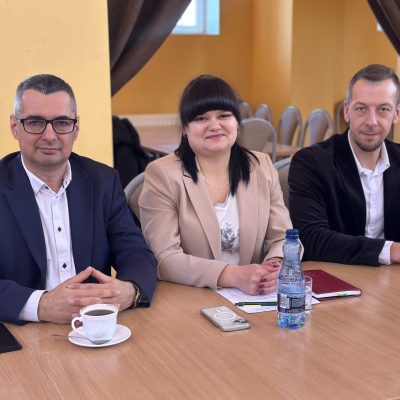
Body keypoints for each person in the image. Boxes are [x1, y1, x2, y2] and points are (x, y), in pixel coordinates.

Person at [0, 74, 157, 324]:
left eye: (62, 123)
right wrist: (41, 306)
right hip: (21, 331)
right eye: (35, 122)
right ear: (14, 127)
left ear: (76, 128)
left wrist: (129, 291)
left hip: (96, 326)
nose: (49, 135)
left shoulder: (103, 181)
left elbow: (135, 252)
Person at [139, 75, 292, 295]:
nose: (215, 125)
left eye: (224, 116)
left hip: (251, 297)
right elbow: (165, 258)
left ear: (237, 122)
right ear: (185, 128)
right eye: (201, 118)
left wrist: (275, 267)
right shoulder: (162, 174)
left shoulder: (262, 167)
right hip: (188, 296)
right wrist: (234, 275)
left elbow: (284, 238)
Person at [289, 64, 400, 266]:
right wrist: (390, 250)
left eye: (383, 109)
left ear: (396, 114)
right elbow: (311, 239)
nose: (372, 121)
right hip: (335, 278)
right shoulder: (311, 163)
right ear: (347, 111)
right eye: (361, 109)